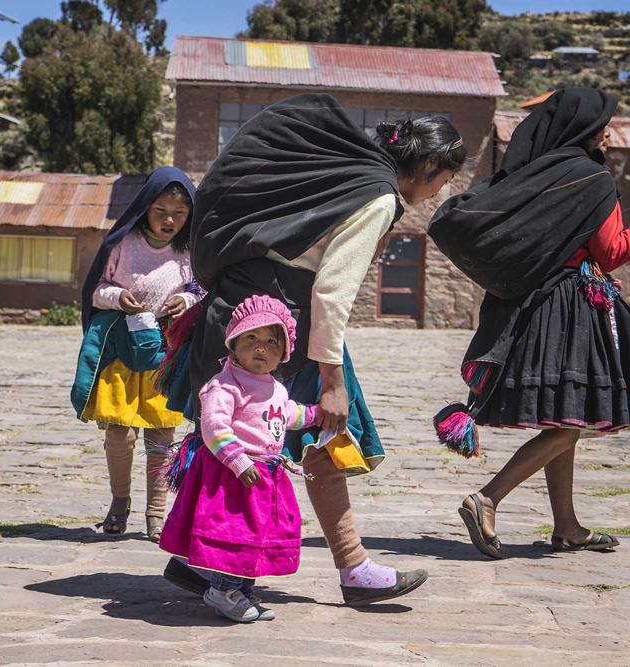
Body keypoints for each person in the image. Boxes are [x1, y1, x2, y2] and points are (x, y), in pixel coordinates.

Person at [160, 93, 466, 606]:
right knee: (315, 436)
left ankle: (203, 561)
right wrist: (332, 382)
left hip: (237, 312)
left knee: (240, 438)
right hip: (281, 327)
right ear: (429, 164)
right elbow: (331, 291)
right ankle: (352, 569)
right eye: (442, 181)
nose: (437, 192)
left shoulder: (348, 174)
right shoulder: (379, 196)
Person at [428, 88, 630, 558]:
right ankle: (486, 498)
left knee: (566, 416)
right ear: (585, 130)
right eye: (605, 124)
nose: (611, 133)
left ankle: (567, 526)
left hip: (530, 309)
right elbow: (610, 253)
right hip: (571, 312)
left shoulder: (531, 175)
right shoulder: (592, 179)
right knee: (575, 419)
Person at [159, 295, 318, 622]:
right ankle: (222, 590)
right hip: (233, 477)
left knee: (255, 538)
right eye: (252, 338)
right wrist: (239, 462)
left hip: (265, 478)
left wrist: (318, 415)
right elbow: (214, 425)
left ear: (283, 354)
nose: (261, 348)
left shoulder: (275, 387)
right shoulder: (226, 384)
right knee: (234, 535)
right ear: (234, 342)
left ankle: (242, 591)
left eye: (272, 342)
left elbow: (287, 415)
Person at [71, 167, 201, 541]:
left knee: (162, 433)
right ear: (145, 206)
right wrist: (116, 297)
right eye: (160, 210)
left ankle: (156, 515)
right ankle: (119, 501)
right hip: (123, 349)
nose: (170, 220)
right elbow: (97, 289)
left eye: (179, 212)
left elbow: (202, 288)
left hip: (166, 348)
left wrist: (187, 299)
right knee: (119, 432)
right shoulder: (123, 244)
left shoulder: (189, 250)